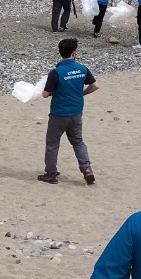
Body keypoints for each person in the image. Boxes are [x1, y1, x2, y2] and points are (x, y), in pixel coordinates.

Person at [37, 37, 98, 185]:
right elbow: (95, 86)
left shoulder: (56, 72)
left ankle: (51, 173)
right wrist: (81, 93)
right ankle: (87, 169)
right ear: (74, 52)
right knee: (78, 141)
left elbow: (45, 94)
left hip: (59, 113)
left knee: (52, 144)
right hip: (76, 112)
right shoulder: (82, 69)